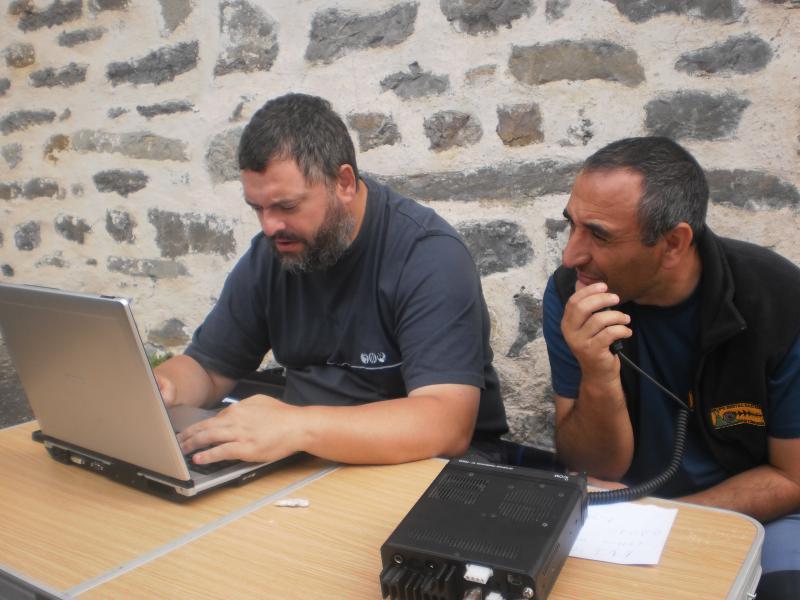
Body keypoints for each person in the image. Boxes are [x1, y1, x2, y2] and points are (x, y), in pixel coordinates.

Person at [155, 93, 507, 468]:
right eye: (258, 208)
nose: (269, 226)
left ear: (344, 183)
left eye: (287, 206)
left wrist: (296, 427)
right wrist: (163, 388)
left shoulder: (427, 256)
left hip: (427, 470)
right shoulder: (275, 253)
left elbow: (445, 425)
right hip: (309, 462)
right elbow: (209, 370)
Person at [542, 136, 800, 599]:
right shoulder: (572, 293)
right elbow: (589, 465)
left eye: (599, 235)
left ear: (674, 243)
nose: (571, 255)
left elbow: (791, 477)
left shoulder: (778, 300)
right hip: (624, 512)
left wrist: (669, 519)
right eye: (571, 226)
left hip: (759, 514)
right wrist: (598, 375)